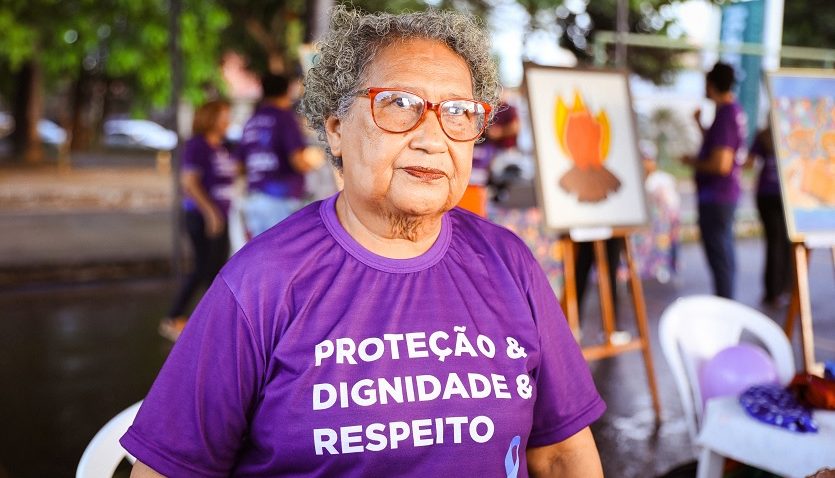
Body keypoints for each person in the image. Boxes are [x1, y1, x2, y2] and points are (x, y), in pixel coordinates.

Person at [123, 7, 606, 477]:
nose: (432, 139)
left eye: (458, 112)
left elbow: (561, 454)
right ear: (335, 130)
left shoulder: (509, 264)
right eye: (400, 104)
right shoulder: (261, 282)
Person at [159, 99, 236, 341]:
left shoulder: (222, 147)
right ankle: (174, 317)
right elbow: (190, 182)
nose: (227, 122)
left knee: (216, 271)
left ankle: (211, 323)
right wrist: (210, 212)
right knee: (203, 268)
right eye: (223, 117)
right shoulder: (197, 145)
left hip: (221, 216)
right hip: (201, 216)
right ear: (209, 118)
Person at [682, 62, 747, 299]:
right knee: (724, 252)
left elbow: (721, 164)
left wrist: (692, 162)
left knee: (720, 254)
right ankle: (726, 299)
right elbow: (719, 147)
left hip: (717, 196)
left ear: (710, 85)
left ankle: (725, 304)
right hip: (723, 195)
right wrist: (700, 125)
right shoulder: (732, 112)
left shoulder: (727, 115)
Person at [237, 73, 319, 237]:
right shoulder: (284, 117)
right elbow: (298, 161)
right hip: (280, 200)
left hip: (255, 199)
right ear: (286, 91)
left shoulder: (251, 121)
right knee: (286, 258)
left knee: (262, 258)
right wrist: (317, 161)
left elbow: (239, 166)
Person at [746, 123, 790, 306]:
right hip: (780, 195)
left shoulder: (764, 134)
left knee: (777, 242)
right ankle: (777, 290)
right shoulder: (788, 130)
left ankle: (777, 291)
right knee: (781, 243)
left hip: (772, 194)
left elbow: (749, 162)